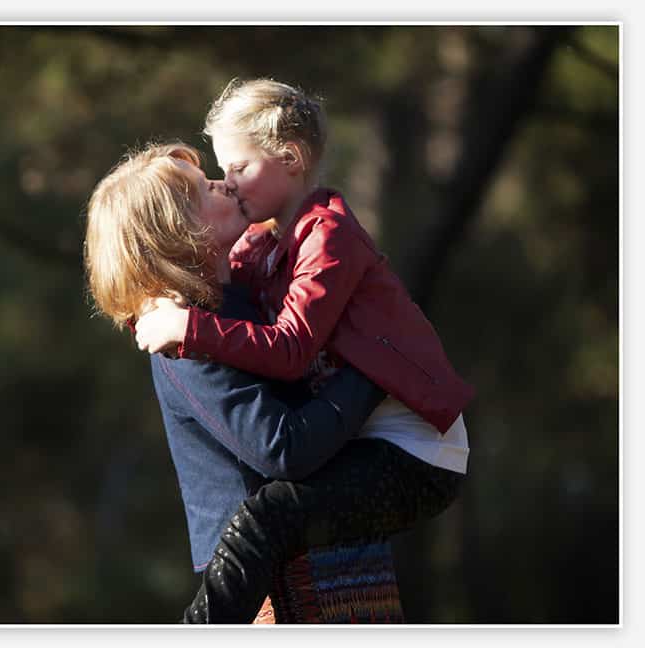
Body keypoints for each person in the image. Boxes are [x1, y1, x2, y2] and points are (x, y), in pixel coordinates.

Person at [131, 79, 474, 622]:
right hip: (365, 442)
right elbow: (209, 284)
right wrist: (159, 301)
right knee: (272, 517)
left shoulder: (328, 236)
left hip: (417, 455)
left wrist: (189, 327)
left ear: (289, 159)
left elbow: (289, 350)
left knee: (268, 516)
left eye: (237, 168)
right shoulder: (263, 244)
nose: (228, 182)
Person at [85, 142, 406, 623]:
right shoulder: (183, 342)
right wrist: (374, 369)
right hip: (277, 582)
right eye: (204, 189)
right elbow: (283, 448)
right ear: (179, 234)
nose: (224, 183)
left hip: (334, 550)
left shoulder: (240, 296)